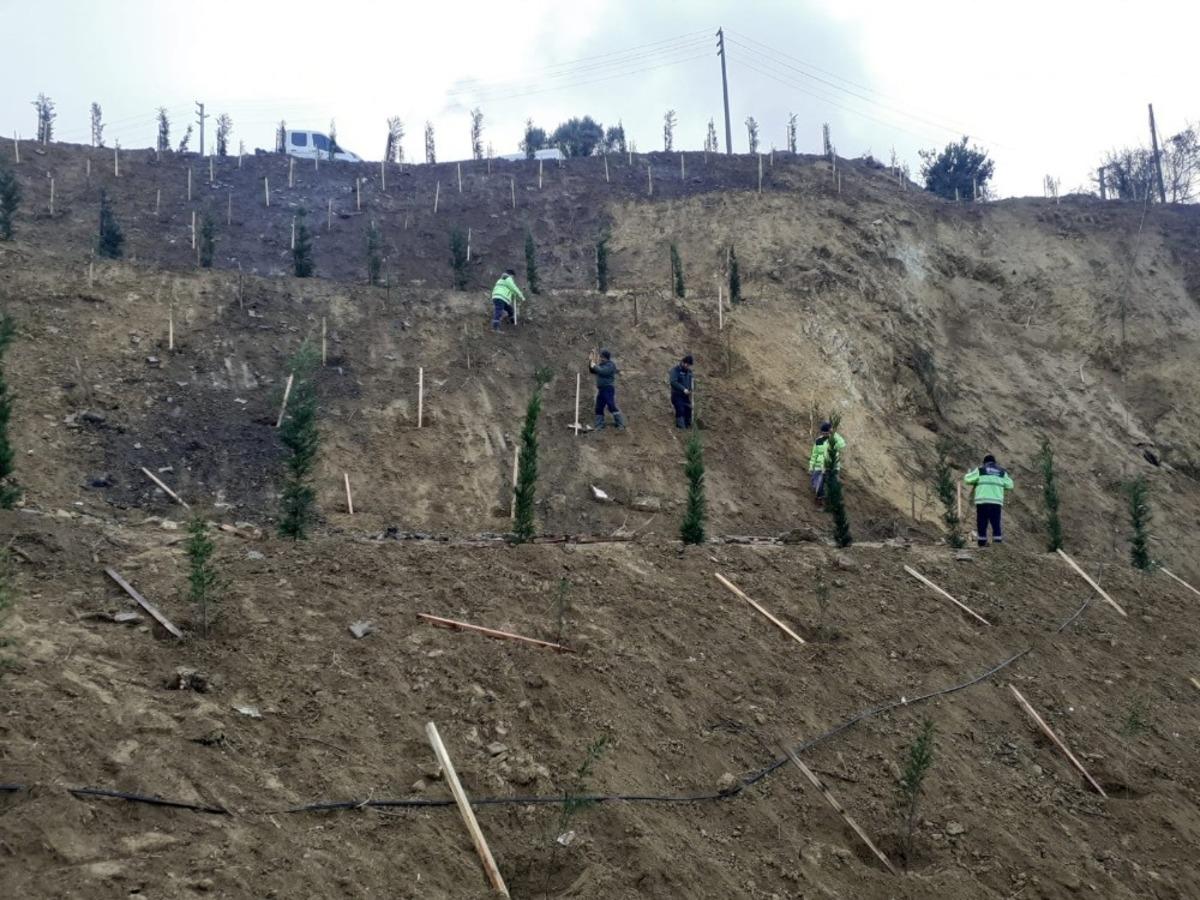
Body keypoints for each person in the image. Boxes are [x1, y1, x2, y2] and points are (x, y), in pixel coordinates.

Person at [964, 454, 1014, 547]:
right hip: (996, 503)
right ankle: (997, 545)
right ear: (995, 462)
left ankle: (982, 544)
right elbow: (1010, 485)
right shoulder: (1002, 472)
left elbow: (967, 480)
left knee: (982, 523)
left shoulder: (981, 470)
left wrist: (969, 473)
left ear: (984, 462)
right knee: (996, 523)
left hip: (982, 502)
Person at [807, 421, 846, 508]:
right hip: (819, 466)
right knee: (816, 483)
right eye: (822, 432)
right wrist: (811, 466)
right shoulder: (818, 440)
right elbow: (814, 455)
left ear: (829, 432)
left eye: (826, 432)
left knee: (832, 485)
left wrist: (834, 434)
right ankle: (820, 499)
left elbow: (842, 444)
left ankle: (832, 503)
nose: (824, 434)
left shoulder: (833, 440)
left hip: (831, 466)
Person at [588, 349, 626, 431]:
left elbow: (602, 371)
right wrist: (590, 361)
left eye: (602, 357)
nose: (601, 358)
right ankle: (599, 426)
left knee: (611, 405)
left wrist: (594, 365)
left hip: (608, 388)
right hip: (601, 389)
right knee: (599, 407)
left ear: (606, 358)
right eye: (601, 357)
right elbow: (592, 370)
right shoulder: (601, 365)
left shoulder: (610, 365)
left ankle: (620, 424)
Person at [668, 355, 694, 429]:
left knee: (688, 409)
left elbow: (691, 382)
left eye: (689, 365)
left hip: (686, 396)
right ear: (683, 362)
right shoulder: (675, 370)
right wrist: (683, 389)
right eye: (687, 364)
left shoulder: (689, 372)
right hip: (676, 395)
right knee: (680, 409)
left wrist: (691, 389)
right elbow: (673, 382)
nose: (688, 366)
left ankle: (688, 427)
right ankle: (680, 427)